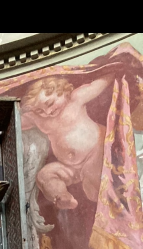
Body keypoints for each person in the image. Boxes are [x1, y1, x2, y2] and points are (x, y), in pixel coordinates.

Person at [21, 75, 112, 209]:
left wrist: (114, 73)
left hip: (94, 154)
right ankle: (63, 197)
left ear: (62, 91)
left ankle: (111, 209)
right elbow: (18, 121)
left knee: (93, 189)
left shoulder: (75, 100)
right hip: (70, 167)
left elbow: (99, 84)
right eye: (40, 110)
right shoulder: (38, 119)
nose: (47, 111)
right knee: (44, 176)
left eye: (50, 103)